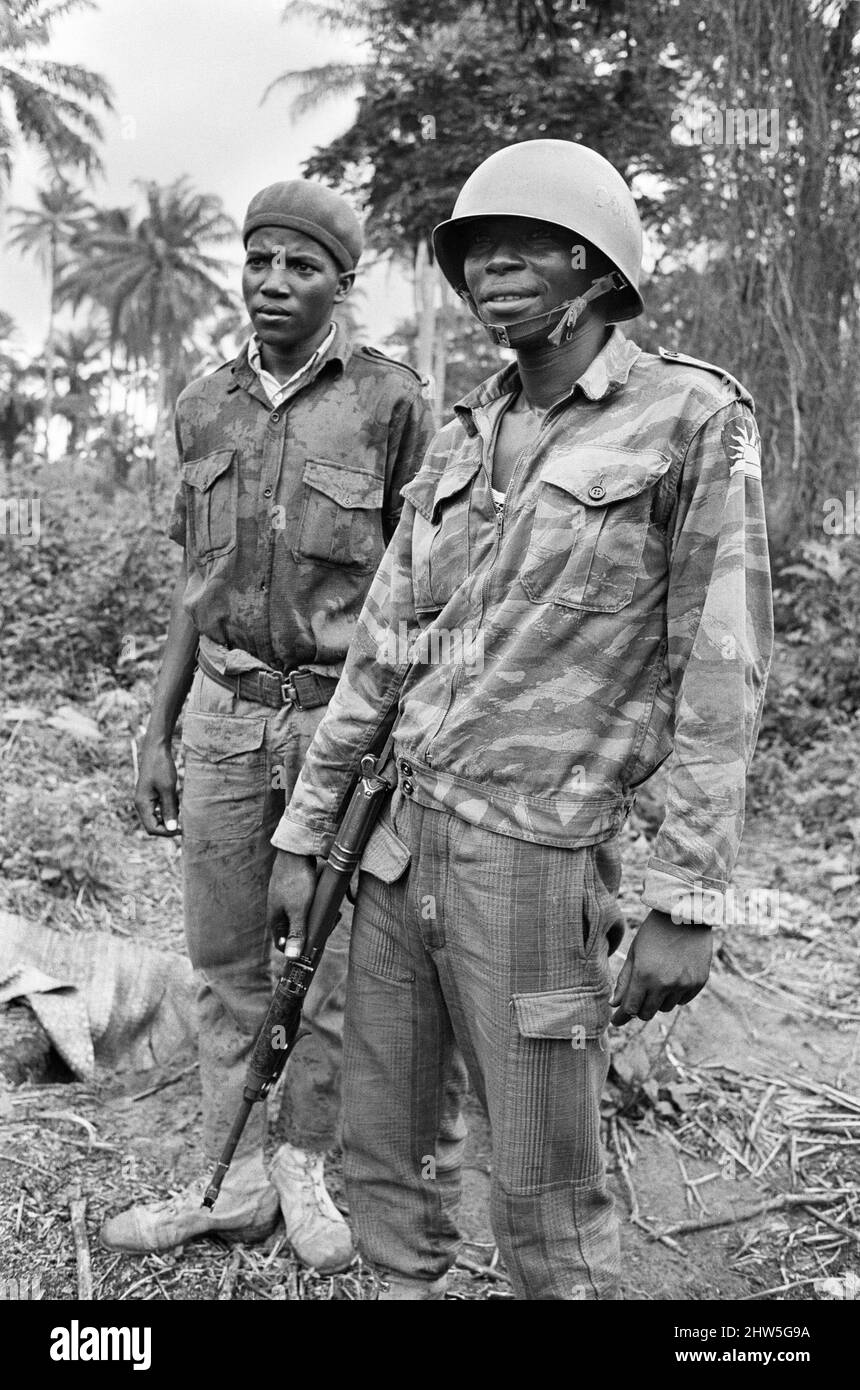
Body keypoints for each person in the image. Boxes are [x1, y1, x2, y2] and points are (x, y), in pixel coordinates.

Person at [266, 140, 774, 1299]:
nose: (489, 268)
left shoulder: (689, 419)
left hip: (535, 867)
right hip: (396, 848)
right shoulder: (463, 433)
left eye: (524, 245)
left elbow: (721, 664)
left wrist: (689, 898)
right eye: (471, 252)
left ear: (596, 268)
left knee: (545, 1187)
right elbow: (387, 646)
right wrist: (306, 828)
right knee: (383, 1153)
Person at [100, 179, 434, 1270]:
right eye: (259, 262)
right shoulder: (203, 405)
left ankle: (303, 1165)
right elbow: (192, 586)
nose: (273, 283)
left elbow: (421, 593)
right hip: (224, 727)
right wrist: (157, 724)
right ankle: (232, 1177)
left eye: (301, 266)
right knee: (224, 960)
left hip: (339, 727)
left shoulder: (392, 404)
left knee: (326, 963)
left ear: (344, 283)